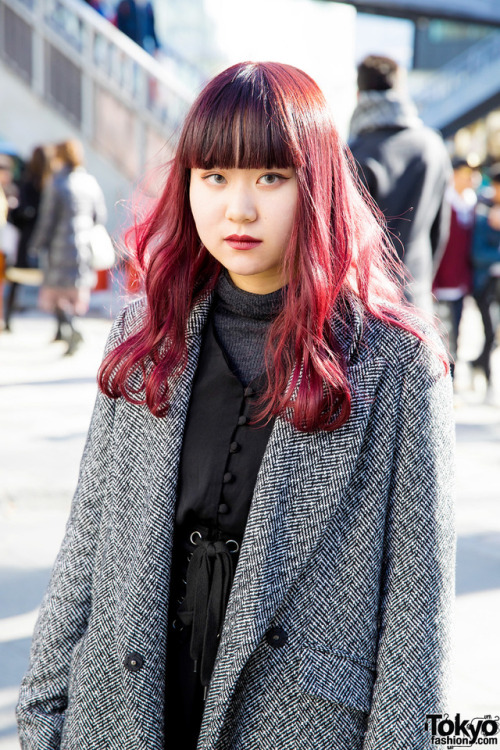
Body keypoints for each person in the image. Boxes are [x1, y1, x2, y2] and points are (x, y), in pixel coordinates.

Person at [17, 62, 455, 750]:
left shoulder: (395, 363)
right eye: (214, 176)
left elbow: (417, 620)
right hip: (125, 714)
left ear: (317, 187)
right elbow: (88, 543)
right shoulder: (148, 331)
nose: (238, 208)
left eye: (270, 178)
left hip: (298, 723)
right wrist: (41, 720)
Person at [349, 55, 452, 313]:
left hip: (364, 302)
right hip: (416, 296)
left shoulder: (354, 152)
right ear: (400, 90)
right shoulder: (432, 146)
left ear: (359, 95)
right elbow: (440, 231)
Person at [28, 139, 107, 355]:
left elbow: (47, 220)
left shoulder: (57, 183)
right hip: (82, 248)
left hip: (59, 247)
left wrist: (35, 245)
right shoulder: (90, 182)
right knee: (73, 292)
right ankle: (65, 331)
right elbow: (100, 215)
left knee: (56, 294)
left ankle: (71, 329)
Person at [4, 145, 54, 332]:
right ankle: (62, 326)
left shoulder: (27, 182)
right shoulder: (53, 182)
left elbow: (20, 213)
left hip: (27, 238)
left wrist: (15, 210)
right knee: (53, 282)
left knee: (16, 279)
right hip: (48, 239)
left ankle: (8, 319)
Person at [432, 156, 476, 368]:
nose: (472, 179)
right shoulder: (442, 202)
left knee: (456, 333)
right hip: (439, 283)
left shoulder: (473, 203)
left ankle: (453, 379)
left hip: (461, 281)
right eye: (467, 174)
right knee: (438, 336)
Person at [470, 162, 500, 383]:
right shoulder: (483, 211)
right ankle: (487, 377)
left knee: (494, 335)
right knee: (490, 332)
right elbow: (477, 253)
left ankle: (479, 363)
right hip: (485, 284)